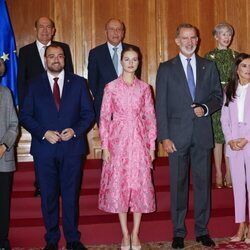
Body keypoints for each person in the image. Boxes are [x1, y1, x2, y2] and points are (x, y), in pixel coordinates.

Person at [19, 44, 95, 250]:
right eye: (51, 56)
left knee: (71, 196)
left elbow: (88, 114)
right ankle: (51, 239)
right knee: (49, 197)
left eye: (60, 56)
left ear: (64, 59)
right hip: (45, 150)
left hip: (72, 149)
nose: (56, 60)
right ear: (45, 59)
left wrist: (75, 130)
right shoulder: (34, 85)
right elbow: (25, 115)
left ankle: (72, 239)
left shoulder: (79, 83)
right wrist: (43, 132)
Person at [155, 23, 222, 249]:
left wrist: (205, 107)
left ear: (198, 40)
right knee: (178, 186)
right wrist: (164, 137)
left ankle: (202, 231)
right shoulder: (165, 68)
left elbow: (217, 97)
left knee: (203, 185)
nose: (189, 42)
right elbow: (160, 106)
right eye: (184, 38)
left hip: (202, 135)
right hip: (176, 137)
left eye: (193, 37)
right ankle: (178, 232)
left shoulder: (209, 66)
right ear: (177, 41)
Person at [98, 46, 156, 250]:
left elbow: (150, 117)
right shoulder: (111, 87)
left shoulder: (145, 88)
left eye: (135, 60)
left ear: (138, 62)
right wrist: (105, 146)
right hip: (118, 142)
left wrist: (152, 146)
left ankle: (135, 234)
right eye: (127, 59)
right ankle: (124, 234)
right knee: (120, 187)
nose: (131, 63)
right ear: (121, 62)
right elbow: (104, 118)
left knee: (138, 186)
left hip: (139, 142)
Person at [17, 16, 74, 196]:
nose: (44, 30)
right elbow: (22, 82)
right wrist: (24, 106)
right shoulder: (26, 52)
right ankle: (41, 185)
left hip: (61, 107)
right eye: (41, 27)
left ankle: (59, 185)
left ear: (53, 30)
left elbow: (69, 76)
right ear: (36, 29)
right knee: (42, 145)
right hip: (38, 110)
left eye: (48, 27)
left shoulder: (63, 48)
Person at [88, 18, 141, 124]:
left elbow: (136, 79)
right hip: (105, 109)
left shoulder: (133, 50)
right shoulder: (96, 53)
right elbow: (93, 83)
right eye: (112, 29)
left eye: (119, 29)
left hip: (130, 109)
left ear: (123, 32)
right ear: (106, 32)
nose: (115, 32)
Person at [205, 22, 239, 189]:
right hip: (217, 101)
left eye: (229, 34)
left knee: (230, 137)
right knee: (218, 138)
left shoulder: (237, 55)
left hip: (233, 100)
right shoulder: (209, 56)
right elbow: (205, 82)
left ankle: (230, 172)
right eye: (223, 34)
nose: (226, 37)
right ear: (216, 36)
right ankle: (218, 171)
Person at [221, 53, 250, 244]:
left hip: (249, 140)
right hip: (234, 142)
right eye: (245, 66)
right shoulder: (229, 90)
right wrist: (231, 139)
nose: (248, 70)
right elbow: (224, 118)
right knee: (238, 186)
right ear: (237, 69)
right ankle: (241, 225)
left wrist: (246, 138)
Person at [0, 58, 19, 250]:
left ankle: (2, 242)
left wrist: (4, 145)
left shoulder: (6, 93)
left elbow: (14, 125)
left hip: (2, 158)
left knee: (2, 205)